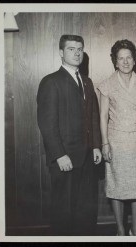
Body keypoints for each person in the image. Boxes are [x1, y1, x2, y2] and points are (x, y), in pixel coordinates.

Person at [37, 34, 102, 235]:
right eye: (71, 49)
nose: (76, 53)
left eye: (79, 49)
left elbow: (93, 116)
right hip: (65, 158)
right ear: (61, 53)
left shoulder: (87, 82)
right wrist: (59, 154)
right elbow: (47, 123)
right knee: (63, 210)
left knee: (85, 209)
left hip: (87, 158)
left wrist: (96, 146)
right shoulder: (51, 82)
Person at [97, 39, 136, 236]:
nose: (125, 62)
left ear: (134, 60)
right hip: (116, 142)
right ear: (115, 61)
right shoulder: (106, 85)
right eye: (121, 58)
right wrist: (104, 143)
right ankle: (121, 230)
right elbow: (103, 116)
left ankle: (135, 230)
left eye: (129, 57)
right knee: (117, 187)